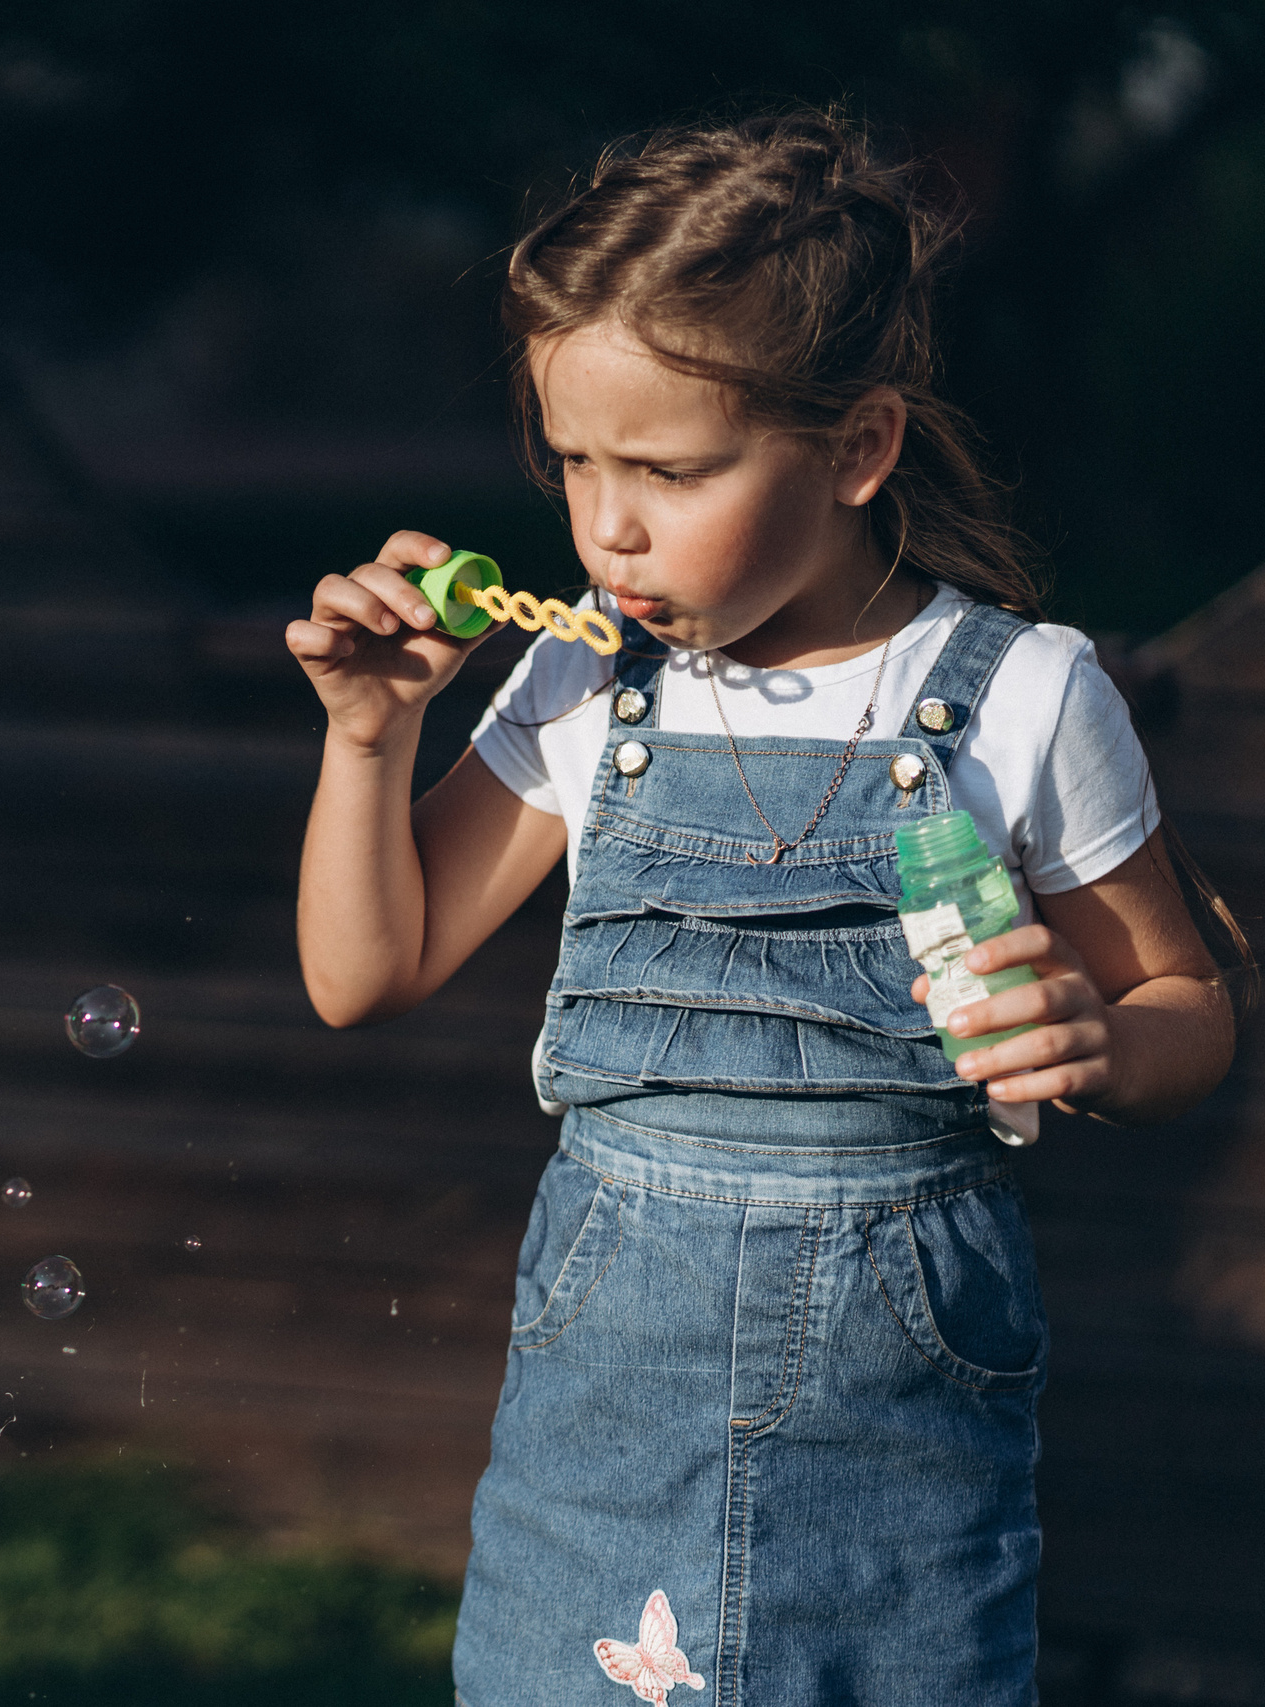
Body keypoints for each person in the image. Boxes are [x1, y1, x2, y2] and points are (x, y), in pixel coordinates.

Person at [288, 111, 1237, 1704]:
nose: (609, 527)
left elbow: (1185, 1009)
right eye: (574, 462)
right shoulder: (586, 676)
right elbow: (358, 973)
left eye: (670, 470)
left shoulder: (1023, 694)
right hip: (604, 1422)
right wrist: (370, 739)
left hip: (899, 1440)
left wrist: (1103, 1040)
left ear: (857, 449)